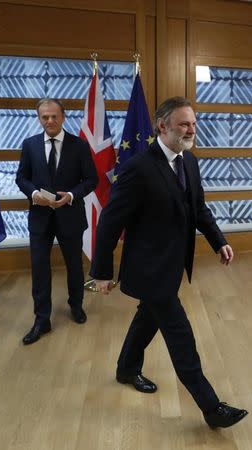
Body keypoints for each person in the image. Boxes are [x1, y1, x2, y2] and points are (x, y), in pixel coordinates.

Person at [90, 96, 248, 428]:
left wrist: (219, 241)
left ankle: (126, 368)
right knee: (179, 333)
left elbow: (198, 209)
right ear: (163, 126)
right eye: (184, 124)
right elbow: (109, 223)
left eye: (193, 123)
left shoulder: (188, 162)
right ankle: (211, 407)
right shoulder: (137, 168)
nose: (192, 129)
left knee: (148, 318)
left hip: (173, 264)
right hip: (148, 269)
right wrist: (102, 272)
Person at [16, 98, 98, 345]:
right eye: (44, 117)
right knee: (40, 268)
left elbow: (91, 180)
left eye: (54, 116)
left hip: (70, 216)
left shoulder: (80, 145)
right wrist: (34, 194)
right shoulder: (29, 145)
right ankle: (42, 319)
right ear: (39, 118)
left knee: (74, 265)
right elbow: (21, 178)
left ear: (63, 117)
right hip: (40, 218)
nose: (49, 121)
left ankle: (76, 305)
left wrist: (71, 195)